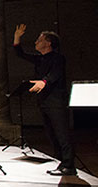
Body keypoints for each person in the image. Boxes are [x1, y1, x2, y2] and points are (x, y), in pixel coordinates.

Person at [13, 24, 74, 176]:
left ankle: (69, 166)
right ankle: (61, 162)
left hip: (56, 102)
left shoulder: (58, 58)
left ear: (48, 43)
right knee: (52, 134)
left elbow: (55, 74)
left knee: (62, 134)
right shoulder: (40, 59)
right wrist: (17, 37)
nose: (36, 42)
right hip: (45, 101)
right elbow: (20, 53)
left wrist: (44, 82)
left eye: (39, 40)